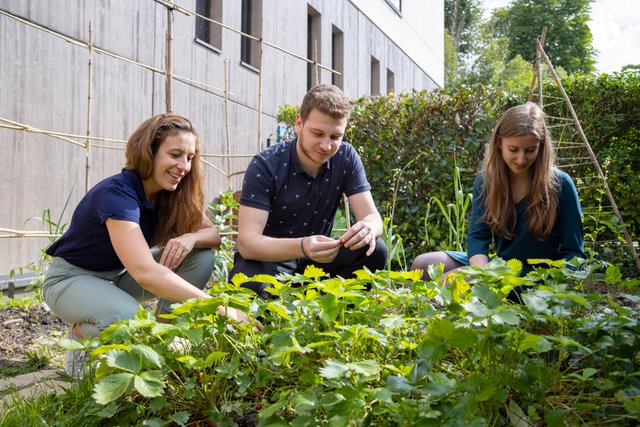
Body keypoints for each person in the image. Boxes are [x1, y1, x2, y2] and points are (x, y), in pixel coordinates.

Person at [43, 113, 256, 377]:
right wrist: (219, 307)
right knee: (130, 319)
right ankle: (80, 334)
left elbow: (212, 236)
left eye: (189, 158)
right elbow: (145, 272)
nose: (184, 166)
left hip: (117, 277)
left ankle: (163, 338)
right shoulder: (118, 195)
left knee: (199, 256)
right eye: (175, 154)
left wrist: (190, 238)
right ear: (149, 151)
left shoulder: (169, 195)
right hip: (70, 281)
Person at [229, 84, 388, 298]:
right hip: (268, 263)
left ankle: (331, 315)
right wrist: (302, 246)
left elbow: (372, 216)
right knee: (248, 287)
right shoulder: (265, 165)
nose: (326, 145)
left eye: (335, 137)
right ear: (298, 124)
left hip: (320, 261)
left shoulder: (346, 157)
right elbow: (247, 244)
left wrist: (368, 228)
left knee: (376, 250)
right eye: (318, 133)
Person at [411, 102, 585, 283]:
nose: (521, 159)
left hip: (540, 274)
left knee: (450, 281)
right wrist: (483, 273)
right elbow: (478, 237)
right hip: (501, 265)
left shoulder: (561, 184)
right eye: (513, 149)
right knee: (423, 264)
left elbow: (574, 253)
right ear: (499, 143)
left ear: (541, 147)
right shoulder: (487, 180)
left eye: (530, 150)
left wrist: (554, 282)